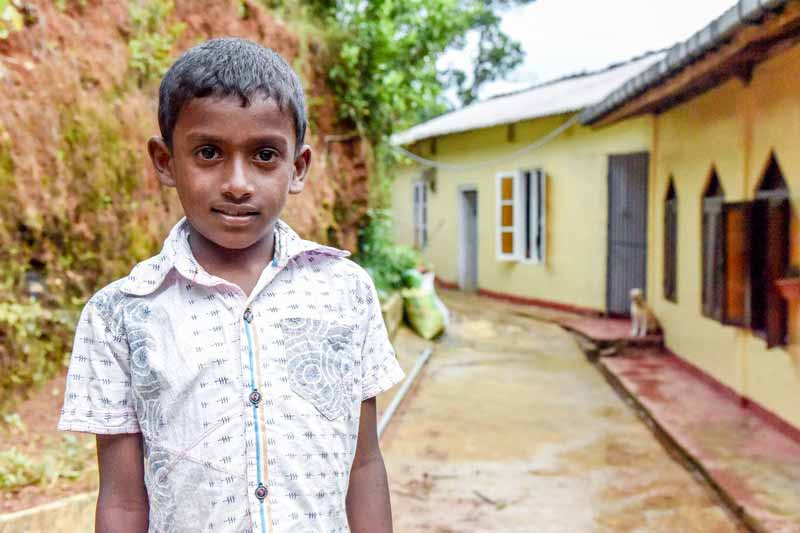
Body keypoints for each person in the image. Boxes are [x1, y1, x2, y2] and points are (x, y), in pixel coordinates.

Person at [57, 37, 404, 533]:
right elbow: (123, 501)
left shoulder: (346, 291)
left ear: (298, 167)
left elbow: (364, 464)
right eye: (208, 152)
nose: (237, 182)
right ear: (164, 161)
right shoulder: (120, 314)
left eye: (264, 155)